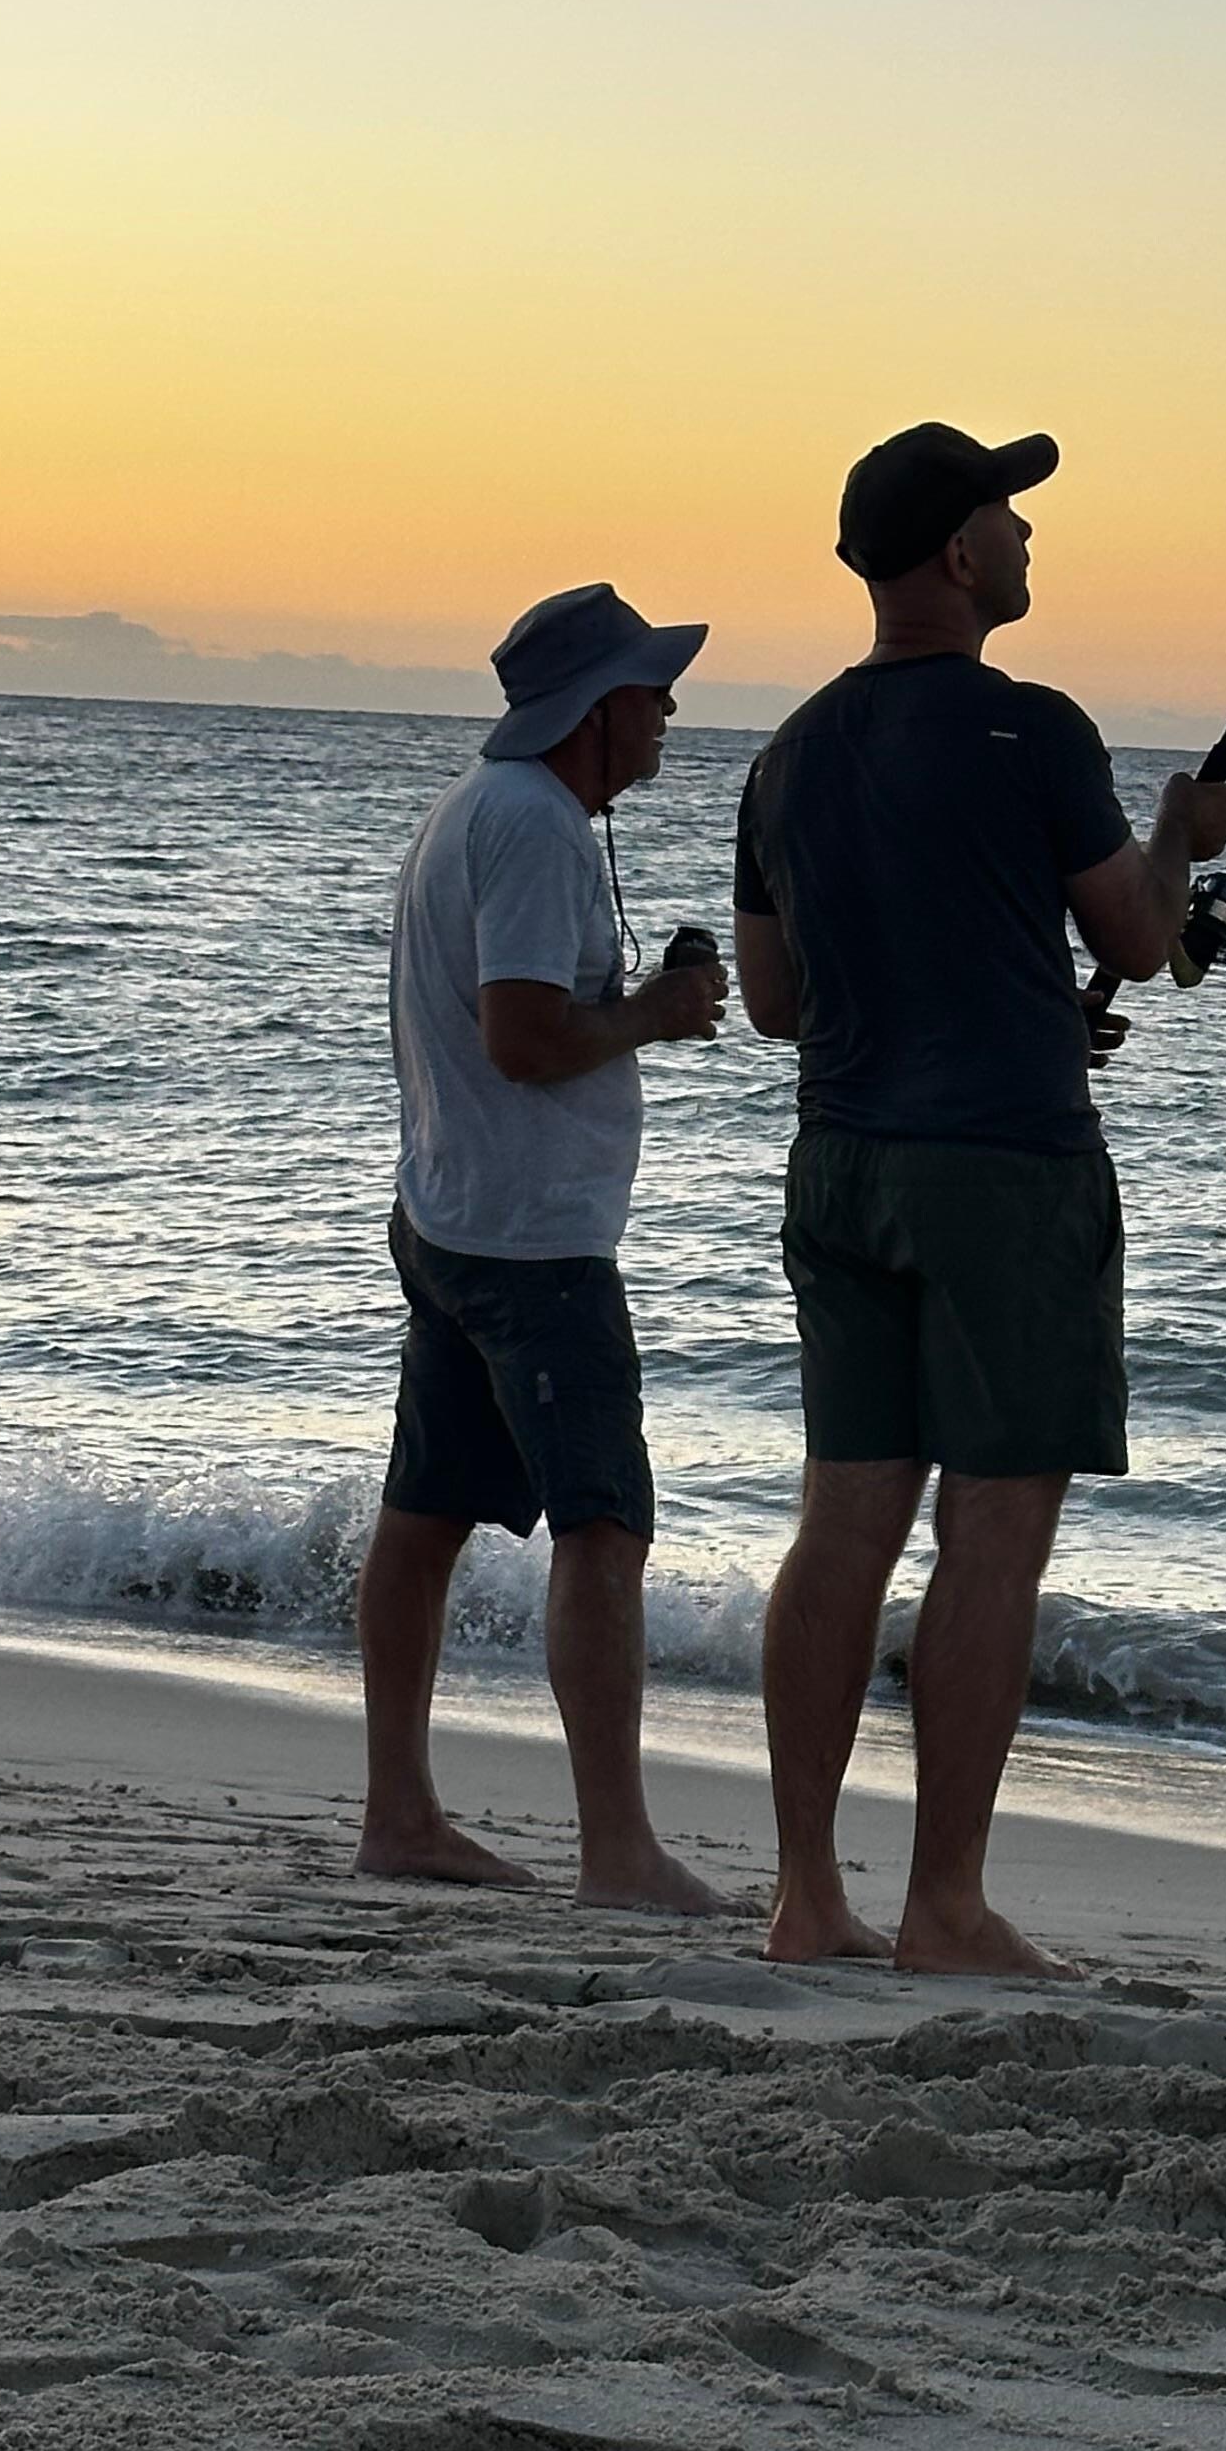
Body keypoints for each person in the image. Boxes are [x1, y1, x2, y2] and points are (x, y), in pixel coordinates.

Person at [732, 423, 1226, 1974]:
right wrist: (1177, 842)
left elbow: (770, 999)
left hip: (846, 1166)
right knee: (994, 1537)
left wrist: (1000, 988)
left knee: (845, 1526)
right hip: (1008, 1174)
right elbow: (1146, 936)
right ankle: (942, 1905)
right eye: (1010, 517)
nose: (1028, 539)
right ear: (957, 553)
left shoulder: (790, 752)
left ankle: (805, 1897)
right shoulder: (1036, 731)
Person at [355, 581, 732, 1907]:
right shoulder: (533, 829)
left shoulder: (485, 811)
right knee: (604, 1524)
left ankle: (399, 1816)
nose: (671, 708)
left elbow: (518, 1022)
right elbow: (524, 1040)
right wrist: (658, 1015)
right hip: (529, 1245)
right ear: (598, 709)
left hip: (453, 1215)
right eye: (653, 688)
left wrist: (636, 1005)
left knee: (425, 1518)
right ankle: (617, 1850)